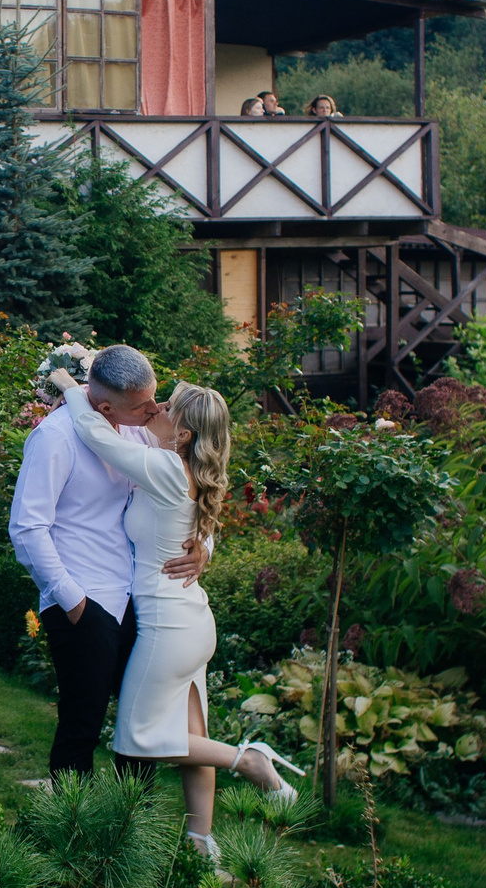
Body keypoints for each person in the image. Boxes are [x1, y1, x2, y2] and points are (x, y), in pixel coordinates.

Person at [46, 367, 301, 860]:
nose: (156, 409)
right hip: (193, 622)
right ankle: (202, 842)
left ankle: (248, 761)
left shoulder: (164, 469)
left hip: (167, 627)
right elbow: (192, 522)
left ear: (183, 433)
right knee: (191, 737)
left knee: (139, 739)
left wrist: (72, 388)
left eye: (167, 408)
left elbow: (96, 431)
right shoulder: (184, 467)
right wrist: (204, 543)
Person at [9, 345, 206, 777]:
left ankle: (131, 834)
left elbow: (194, 488)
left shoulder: (141, 428)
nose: (156, 409)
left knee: (141, 727)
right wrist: (73, 601)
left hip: (135, 599)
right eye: (144, 403)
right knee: (82, 727)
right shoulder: (55, 437)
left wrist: (204, 545)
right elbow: (27, 528)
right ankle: (71, 835)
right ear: (103, 406)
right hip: (85, 600)